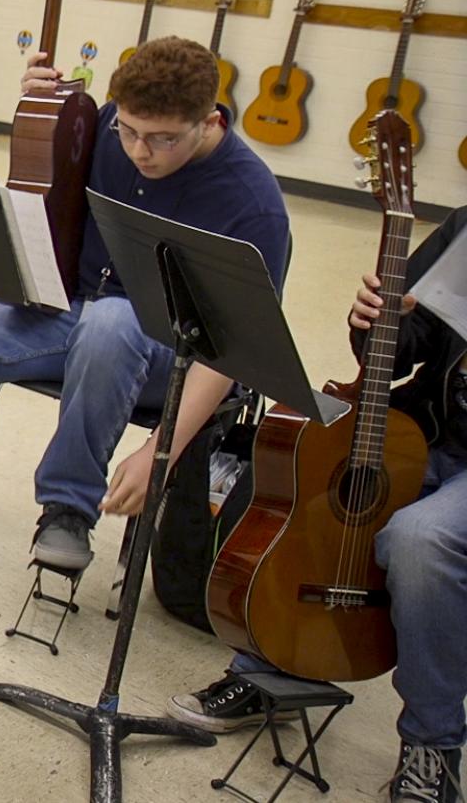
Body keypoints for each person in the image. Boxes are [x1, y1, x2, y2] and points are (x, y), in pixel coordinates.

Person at [0, 37, 291, 572]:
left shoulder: (254, 206)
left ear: (209, 121)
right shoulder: (110, 124)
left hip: (174, 355)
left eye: (163, 140)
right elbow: (45, 191)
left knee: (112, 322)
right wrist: (40, 113)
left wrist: (159, 449)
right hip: (75, 313)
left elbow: (232, 354)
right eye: (130, 131)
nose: (139, 151)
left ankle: (67, 510)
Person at [168, 206, 465, 803]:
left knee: (420, 538)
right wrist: (379, 322)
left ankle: (435, 743)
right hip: (433, 428)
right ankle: (271, 665)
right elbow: (406, 343)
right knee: (309, 453)